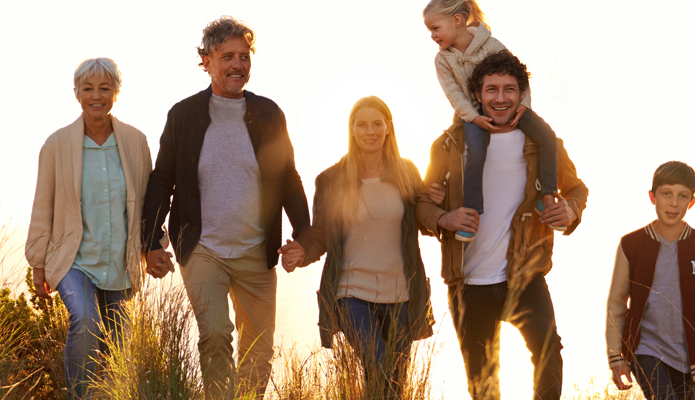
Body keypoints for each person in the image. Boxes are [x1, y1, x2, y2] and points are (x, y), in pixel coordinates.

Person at [140, 16, 311, 397]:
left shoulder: (269, 114)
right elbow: (161, 181)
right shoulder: (183, 115)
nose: (238, 64)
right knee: (216, 335)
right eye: (227, 56)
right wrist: (151, 242)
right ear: (207, 61)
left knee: (258, 350)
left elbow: (288, 179)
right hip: (202, 249)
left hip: (257, 251)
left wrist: (304, 238)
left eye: (244, 56)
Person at [417, 50, 588, 400]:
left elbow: (576, 189)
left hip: (525, 275)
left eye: (509, 89)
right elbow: (422, 205)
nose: (500, 98)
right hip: (469, 283)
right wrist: (444, 218)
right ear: (477, 95)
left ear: (521, 94)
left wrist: (570, 210)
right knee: (483, 385)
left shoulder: (544, 145)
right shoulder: (450, 144)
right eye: (491, 89)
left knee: (549, 355)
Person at [278, 96, 436, 399]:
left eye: (377, 123)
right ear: (351, 130)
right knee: (378, 365)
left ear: (388, 127)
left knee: (394, 383)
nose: (370, 131)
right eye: (362, 124)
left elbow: (425, 221)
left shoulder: (407, 173)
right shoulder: (332, 179)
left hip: (401, 294)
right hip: (351, 293)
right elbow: (321, 234)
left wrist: (442, 204)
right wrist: (300, 252)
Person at [25, 57, 154, 400]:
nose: (96, 95)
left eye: (105, 88)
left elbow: (146, 204)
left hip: (119, 264)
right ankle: (79, 396)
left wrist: (155, 247)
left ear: (116, 92)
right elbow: (43, 206)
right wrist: (38, 263)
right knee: (86, 321)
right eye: (88, 88)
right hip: (74, 261)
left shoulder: (135, 143)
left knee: (119, 345)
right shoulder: (57, 145)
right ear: (76, 94)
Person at [422, 0, 562, 241]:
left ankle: (546, 195)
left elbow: (520, 76)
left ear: (456, 21)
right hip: (471, 113)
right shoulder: (442, 60)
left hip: (512, 108)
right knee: (476, 147)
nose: (432, 35)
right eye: (430, 31)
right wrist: (474, 118)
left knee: (546, 135)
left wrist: (523, 106)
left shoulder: (490, 44)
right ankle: (473, 211)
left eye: (435, 28)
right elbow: (454, 95)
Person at [604, 161, 695, 400]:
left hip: (686, 359)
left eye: (682, 196)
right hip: (643, 350)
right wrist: (616, 356)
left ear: (692, 202)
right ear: (653, 197)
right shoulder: (631, 245)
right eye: (666, 194)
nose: (673, 203)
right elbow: (616, 304)